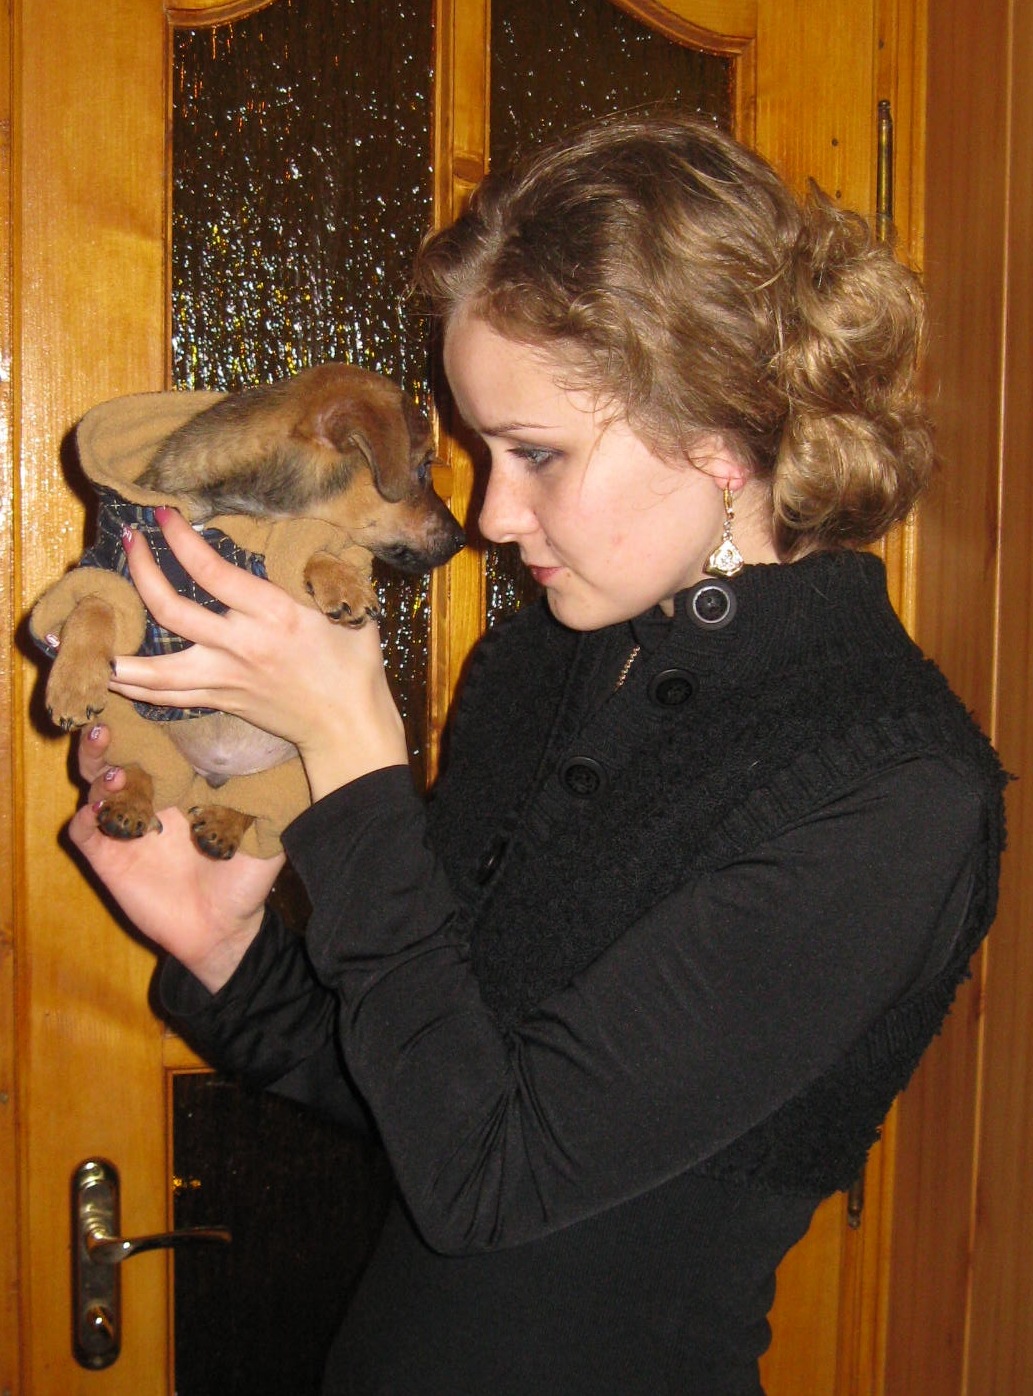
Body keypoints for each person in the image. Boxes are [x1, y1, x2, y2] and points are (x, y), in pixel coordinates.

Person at [70, 111, 1005, 1395]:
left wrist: (355, 764)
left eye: (536, 454)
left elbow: (490, 1183)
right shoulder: (537, 667)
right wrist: (225, 949)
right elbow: (427, 1098)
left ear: (718, 431)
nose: (493, 513)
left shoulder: (889, 788)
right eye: (480, 450)